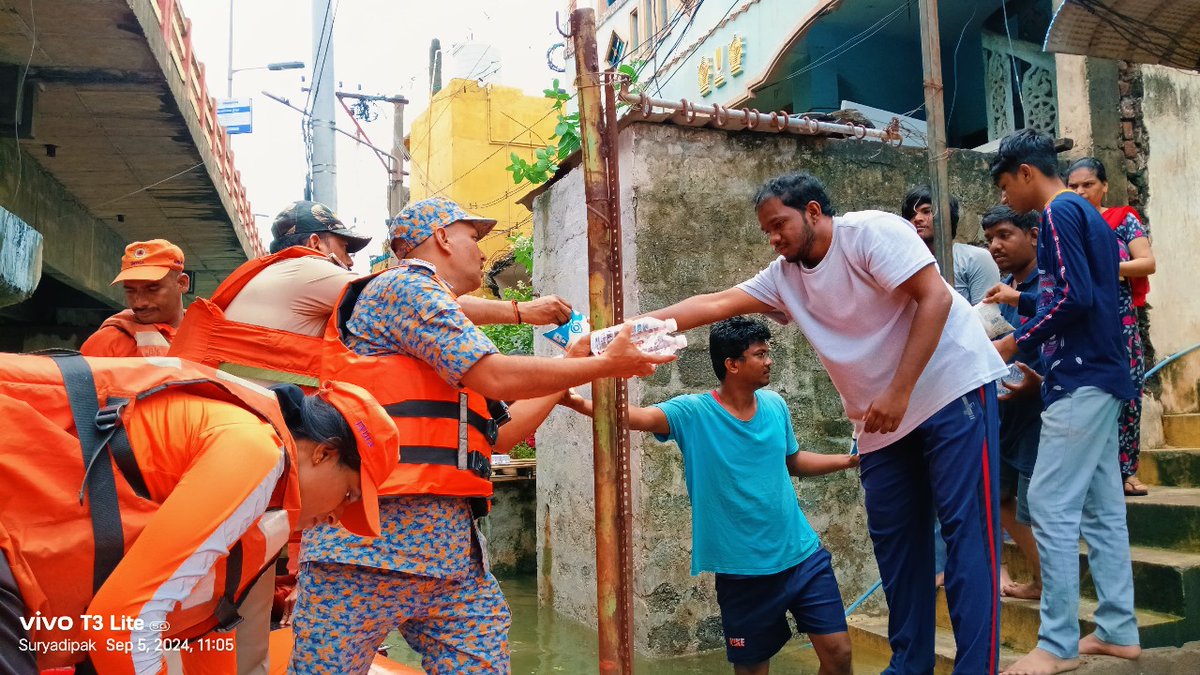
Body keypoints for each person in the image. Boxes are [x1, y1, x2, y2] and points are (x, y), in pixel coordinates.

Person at [288, 197, 673, 674]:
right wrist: (605, 364)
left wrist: (573, 365)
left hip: (449, 561)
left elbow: (502, 435)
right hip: (362, 554)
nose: (484, 252)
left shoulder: (442, 321)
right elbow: (493, 376)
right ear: (443, 237)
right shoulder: (404, 287)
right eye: (474, 236)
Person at [642, 172, 1008, 674]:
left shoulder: (871, 232)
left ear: (813, 211)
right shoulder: (783, 276)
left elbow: (937, 298)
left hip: (953, 388)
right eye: (766, 231)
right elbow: (713, 303)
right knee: (897, 544)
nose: (773, 238)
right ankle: (910, 664)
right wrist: (629, 330)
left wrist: (899, 390)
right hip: (881, 421)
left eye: (779, 225)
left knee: (967, 537)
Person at [0, 353, 398, 675]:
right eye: (348, 494)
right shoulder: (254, 452)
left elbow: (207, 626)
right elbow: (122, 626)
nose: (337, 518)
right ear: (324, 453)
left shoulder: (258, 504)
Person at [562, 317, 857, 675]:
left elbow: (791, 461)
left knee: (839, 654)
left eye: (768, 352)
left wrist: (849, 460)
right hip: (742, 569)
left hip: (801, 556)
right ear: (732, 364)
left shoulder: (776, 405)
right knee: (751, 670)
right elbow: (634, 417)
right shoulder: (692, 412)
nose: (769, 361)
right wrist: (578, 404)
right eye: (759, 354)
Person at [985, 130, 1140, 675]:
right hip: (1102, 371)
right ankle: (1119, 631)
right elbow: (1079, 292)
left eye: (1007, 187)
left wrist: (1014, 340)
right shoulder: (1085, 212)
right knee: (1101, 511)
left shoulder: (1056, 212)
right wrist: (1020, 300)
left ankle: (1056, 644)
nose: (1008, 200)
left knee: (1049, 504)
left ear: (1027, 173)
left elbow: (1075, 299)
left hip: (1080, 378)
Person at [1065, 158, 1156, 497]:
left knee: (1128, 395)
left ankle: (1127, 471)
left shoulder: (1122, 219)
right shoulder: (1065, 225)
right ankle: (1093, 476)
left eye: (1087, 184)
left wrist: (1107, 266)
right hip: (1081, 324)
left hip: (1120, 323)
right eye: (1073, 186)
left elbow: (1147, 262)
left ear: (1104, 186)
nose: (1079, 191)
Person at [980, 205, 1045, 600]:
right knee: (999, 498)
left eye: (1004, 235)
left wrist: (1042, 386)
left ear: (1033, 235)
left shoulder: (1050, 285)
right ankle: (1042, 579)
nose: (995, 245)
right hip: (1005, 411)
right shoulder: (1000, 289)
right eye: (989, 239)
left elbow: (1065, 329)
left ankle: (1052, 584)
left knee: (1035, 506)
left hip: (1042, 411)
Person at [80, 239, 189, 357]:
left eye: (152, 289)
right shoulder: (106, 342)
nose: (139, 303)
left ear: (182, 283)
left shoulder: (209, 334)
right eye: (130, 290)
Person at [902, 186, 1001, 305]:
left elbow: (987, 316)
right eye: (912, 215)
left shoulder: (975, 259)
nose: (917, 218)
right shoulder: (905, 265)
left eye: (927, 211)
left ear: (948, 217)